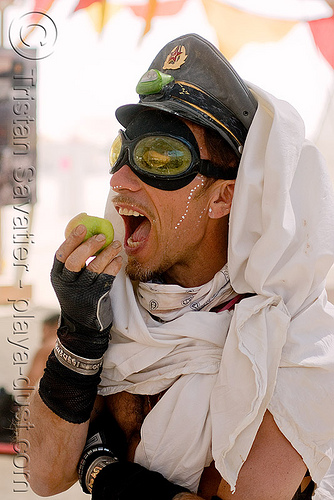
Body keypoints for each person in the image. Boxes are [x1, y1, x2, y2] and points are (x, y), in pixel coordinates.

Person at [18, 33, 334, 500]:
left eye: (161, 156)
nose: (119, 179)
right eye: (121, 152)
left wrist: (99, 467)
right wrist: (78, 336)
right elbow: (43, 476)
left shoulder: (293, 343)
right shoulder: (116, 309)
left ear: (225, 196)